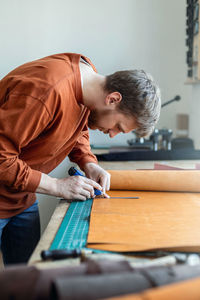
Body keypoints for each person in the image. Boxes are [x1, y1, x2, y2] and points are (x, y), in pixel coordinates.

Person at [0, 53, 161, 265]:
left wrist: (89, 162)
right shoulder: (48, 90)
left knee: (25, 283)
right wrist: (56, 186)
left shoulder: (90, 86)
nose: (112, 134)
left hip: (20, 196)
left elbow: (76, 125)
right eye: (118, 127)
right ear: (113, 99)